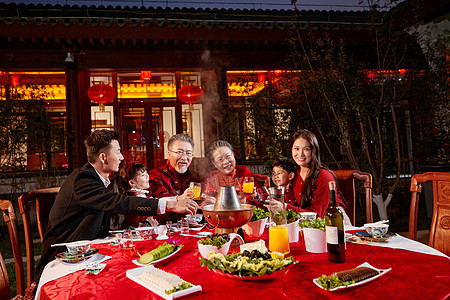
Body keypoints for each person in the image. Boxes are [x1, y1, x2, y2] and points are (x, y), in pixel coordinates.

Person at [36, 130, 198, 282]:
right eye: (118, 151)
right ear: (103, 157)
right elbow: (119, 202)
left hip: (89, 253)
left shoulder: (100, 180)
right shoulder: (83, 179)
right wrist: (171, 205)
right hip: (64, 260)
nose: (121, 157)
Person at [278, 129, 350, 221]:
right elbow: (293, 206)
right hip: (308, 224)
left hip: (334, 224)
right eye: (297, 149)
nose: (300, 154)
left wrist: (285, 207)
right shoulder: (294, 175)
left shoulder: (324, 176)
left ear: (313, 151)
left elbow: (317, 215)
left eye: (306, 149)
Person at [148, 134, 214, 221]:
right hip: (164, 229)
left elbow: (200, 202)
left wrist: (204, 204)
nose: (184, 158)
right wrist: (180, 198)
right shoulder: (156, 175)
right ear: (169, 153)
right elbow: (158, 201)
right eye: (179, 152)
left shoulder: (195, 176)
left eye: (188, 153)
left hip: (192, 229)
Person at [116, 161, 152, 229]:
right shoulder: (133, 200)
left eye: (146, 173)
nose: (147, 176)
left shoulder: (141, 195)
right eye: (143, 175)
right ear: (132, 183)